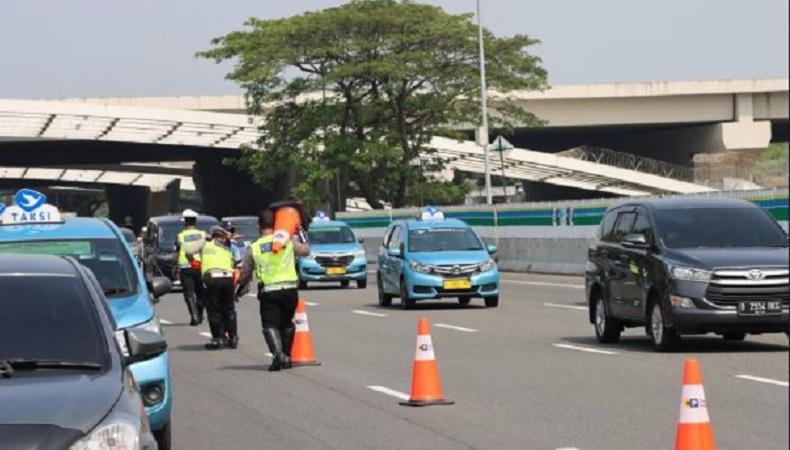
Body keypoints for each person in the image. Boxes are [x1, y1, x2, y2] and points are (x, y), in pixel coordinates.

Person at [237, 209, 310, 371]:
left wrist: (239, 290)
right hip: (290, 289)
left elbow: (245, 273)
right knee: (287, 323)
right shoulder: (288, 241)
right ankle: (287, 356)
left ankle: (277, 354)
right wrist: (301, 231)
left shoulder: (254, 247)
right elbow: (306, 250)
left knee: (270, 324)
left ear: (259, 226)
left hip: (269, 291)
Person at [200, 226, 239, 349]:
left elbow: (190, 251)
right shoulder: (229, 246)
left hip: (212, 277)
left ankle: (218, 339)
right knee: (229, 309)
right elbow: (238, 261)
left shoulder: (206, 245)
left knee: (213, 310)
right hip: (228, 277)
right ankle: (233, 338)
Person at [174, 209, 207, 326]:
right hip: (200, 266)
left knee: (189, 293)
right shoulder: (202, 234)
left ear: (185, 222)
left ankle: (194, 316)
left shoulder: (180, 236)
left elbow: (177, 253)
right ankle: (200, 313)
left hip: (185, 267)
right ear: (195, 221)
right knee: (201, 292)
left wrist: (175, 267)